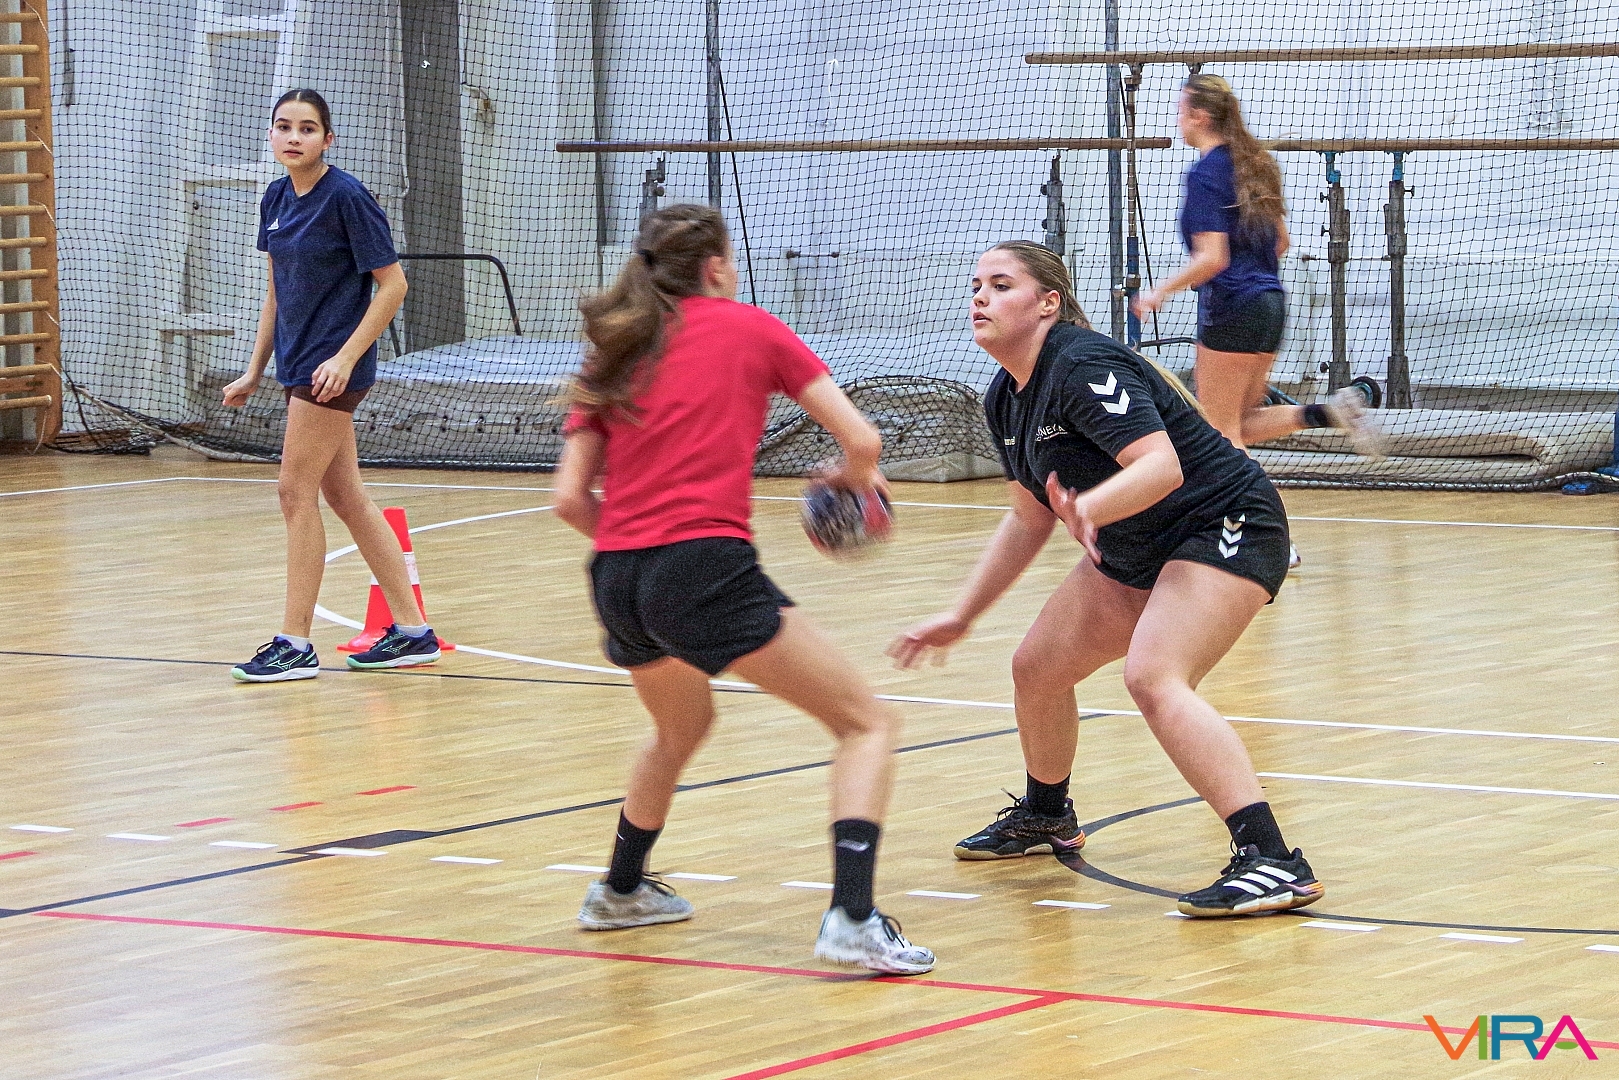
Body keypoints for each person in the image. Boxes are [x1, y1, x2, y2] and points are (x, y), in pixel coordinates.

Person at [890, 240, 1325, 918]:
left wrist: (1089, 509)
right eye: (975, 285)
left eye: (1000, 285)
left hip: (1222, 521)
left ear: (1047, 304)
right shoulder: (1005, 399)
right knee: (1037, 668)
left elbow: (1160, 467)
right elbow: (1028, 519)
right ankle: (1046, 815)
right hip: (1134, 547)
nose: (979, 297)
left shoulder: (1082, 364)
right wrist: (961, 615)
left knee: (1153, 676)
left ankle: (1272, 860)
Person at [553, 203, 933, 974]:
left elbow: (567, 499)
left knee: (678, 729)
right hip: (703, 565)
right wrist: (851, 477)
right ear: (717, 267)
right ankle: (852, 920)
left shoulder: (614, 349)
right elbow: (863, 440)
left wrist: (641, 547)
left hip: (617, 575)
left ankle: (620, 891)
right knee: (866, 724)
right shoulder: (752, 328)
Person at [223, 89, 440, 682]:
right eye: (284, 126)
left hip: (333, 368)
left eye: (307, 128)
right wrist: (255, 369)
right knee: (345, 496)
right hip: (297, 364)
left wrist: (346, 357)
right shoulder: (275, 197)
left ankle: (295, 643)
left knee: (294, 492)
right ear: (272, 134)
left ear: (327, 139)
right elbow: (277, 293)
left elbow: (393, 285)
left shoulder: (346, 196)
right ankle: (413, 632)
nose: (294, 137)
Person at [1134, 73, 1384, 467]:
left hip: (1232, 306)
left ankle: (1249, 505)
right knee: (1242, 422)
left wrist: (1159, 291)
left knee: (1219, 433)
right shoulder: (1255, 165)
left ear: (1199, 116)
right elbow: (1280, 242)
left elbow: (1213, 258)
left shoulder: (1205, 174)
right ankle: (1330, 412)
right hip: (1270, 304)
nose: (1177, 119)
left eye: (1180, 110)